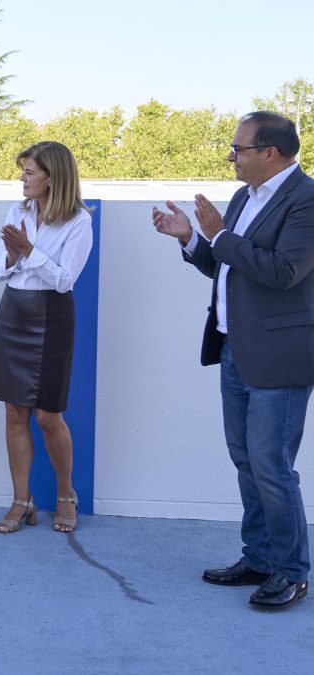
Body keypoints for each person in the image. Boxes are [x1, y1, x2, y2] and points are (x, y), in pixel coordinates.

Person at [152, 111, 314, 610]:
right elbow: (226, 266)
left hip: (278, 358)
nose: (231, 157)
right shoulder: (246, 196)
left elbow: (284, 271)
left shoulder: (306, 200)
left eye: (238, 149)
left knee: (271, 465)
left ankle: (291, 572)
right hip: (233, 349)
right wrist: (191, 239)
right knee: (246, 459)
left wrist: (220, 236)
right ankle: (260, 557)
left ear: (271, 153)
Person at [0, 141, 93, 535]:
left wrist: (29, 252)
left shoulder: (79, 220)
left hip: (51, 316)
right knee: (14, 411)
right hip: (13, 312)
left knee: (49, 416)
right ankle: (21, 499)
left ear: (53, 177)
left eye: (29, 172)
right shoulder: (18, 211)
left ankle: (66, 494)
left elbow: (65, 280)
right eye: (23, 171)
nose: (22, 179)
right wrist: (15, 257)